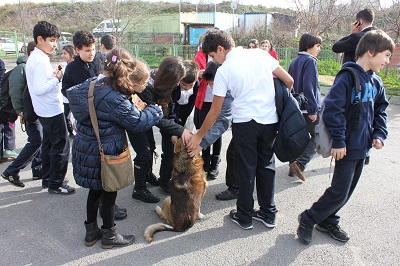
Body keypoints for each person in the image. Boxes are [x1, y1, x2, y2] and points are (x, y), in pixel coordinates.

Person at [186, 29, 294, 230]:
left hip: (245, 124)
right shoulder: (261, 55)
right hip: (270, 121)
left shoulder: (224, 70)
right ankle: (269, 213)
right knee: (266, 166)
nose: (213, 60)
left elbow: (215, 112)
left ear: (220, 48)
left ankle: (244, 215)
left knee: (246, 169)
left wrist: (199, 136)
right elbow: (289, 81)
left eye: (212, 55)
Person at [297, 30, 394, 245]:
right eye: (386, 55)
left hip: (362, 147)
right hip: (346, 147)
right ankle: (308, 218)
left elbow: (381, 110)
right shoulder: (348, 77)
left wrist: (379, 133)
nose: (388, 61)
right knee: (339, 191)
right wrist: (339, 141)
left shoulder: (375, 81)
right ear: (370, 51)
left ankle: (328, 220)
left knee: (347, 190)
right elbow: (333, 110)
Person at [67, 48, 163, 248]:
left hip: (85, 146)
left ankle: (91, 232)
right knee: (109, 193)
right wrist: (155, 110)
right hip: (105, 150)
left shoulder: (91, 84)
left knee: (94, 192)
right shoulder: (113, 96)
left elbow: (76, 102)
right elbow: (137, 122)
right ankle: (110, 236)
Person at [129, 56, 191, 199]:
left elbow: (167, 111)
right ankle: (139, 189)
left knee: (150, 145)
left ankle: (147, 174)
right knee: (144, 152)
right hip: (136, 120)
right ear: (168, 78)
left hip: (146, 119)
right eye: (176, 81)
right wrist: (180, 130)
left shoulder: (167, 85)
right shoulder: (145, 87)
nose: (177, 85)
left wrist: (175, 129)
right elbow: (158, 119)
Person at [25, 21, 74, 195]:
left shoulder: (38, 57)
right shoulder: (39, 60)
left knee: (49, 144)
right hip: (51, 110)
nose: (55, 44)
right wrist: (58, 77)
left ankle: (48, 179)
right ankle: (56, 184)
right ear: (40, 39)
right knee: (61, 146)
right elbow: (39, 89)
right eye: (52, 40)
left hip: (46, 109)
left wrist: (53, 76)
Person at [191, 61, 238, 201]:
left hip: (254, 121)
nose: (211, 87)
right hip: (256, 120)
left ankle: (236, 189)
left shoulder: (228, 90)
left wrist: (201, 141)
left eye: (212, 84)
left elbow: (222, 120)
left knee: (235, 154)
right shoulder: (230, 81)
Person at [1, 41, 43, 187]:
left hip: (33, 111)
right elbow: (15, 92)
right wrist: (21, 112)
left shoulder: (29, 68)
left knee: (38, 140)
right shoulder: (22, 68)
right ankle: (12, 170)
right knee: (36, 140)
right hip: (28, 112)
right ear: (33, 53)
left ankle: (37, 169)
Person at [157, 59, 200, 195]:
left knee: (184, 152)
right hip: (169, 119)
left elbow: (191, 107)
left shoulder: (197, 85)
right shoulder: (173, 87)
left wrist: (184, 127)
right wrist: (174, 132)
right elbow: (170, 109)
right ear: (179, 80)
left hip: (185, 119)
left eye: (190, 85)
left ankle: (179, 179)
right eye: (184, 84)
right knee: (169, 152)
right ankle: (164, 181)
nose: (187, 88)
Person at [287, 33, 322, 181]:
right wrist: (313, 108)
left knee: (299, 137)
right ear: (309, 46)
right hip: (308, 107)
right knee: (319, 136)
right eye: (317, 46)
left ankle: (292, 165)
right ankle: (299, 164)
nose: (319, 49)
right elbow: (310, 86)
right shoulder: (310, 61)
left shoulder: (294, 61)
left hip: (296, 106)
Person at [194, 48, 223, 180]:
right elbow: (192, 73)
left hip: (219, 98)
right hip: (203, 99)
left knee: (217, 130)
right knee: (203, 128)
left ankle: (215, 163)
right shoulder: (200, 55)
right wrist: (198, 74)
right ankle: (205, 163)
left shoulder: (224, 57)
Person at [60, 45, 75, 136]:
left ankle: (76, 133)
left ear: (72, 54)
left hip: (74, 96)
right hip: (65, 97)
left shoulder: (75, 66)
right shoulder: (62, 65)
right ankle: (72, 133)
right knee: (65, 117)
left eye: (65, 53)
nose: (63, 55)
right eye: (62, 53)